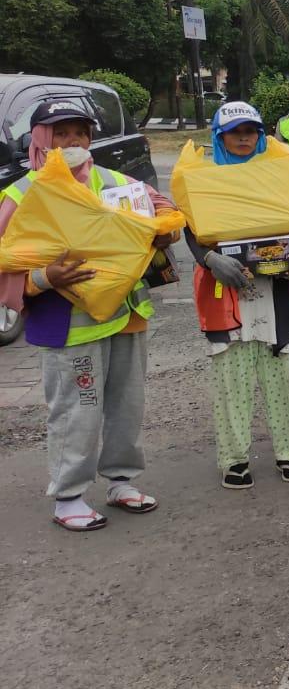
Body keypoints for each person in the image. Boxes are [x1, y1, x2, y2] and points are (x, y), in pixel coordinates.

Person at [0, 98, 178, 529]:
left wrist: (162, 232)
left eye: (79, 133)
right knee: (77, 410)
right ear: (40, 140)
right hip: (69, 326)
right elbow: (7, 258)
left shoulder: (118, 183)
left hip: (126, 313)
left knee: (125, 404)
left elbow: (164, 215)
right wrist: (45, 276)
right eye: (60, 134)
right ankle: (69, 496)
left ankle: (121, 481)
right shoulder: (24, 194)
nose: (72, 142)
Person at [185, 102, 289, 489]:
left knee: (282, 379)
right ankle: (233, 459)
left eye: (250, 131)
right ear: (219, 138)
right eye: (234, 132)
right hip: (227, 296)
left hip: (276, 294)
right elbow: (191, 229)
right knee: (232, 383)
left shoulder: (281, 177)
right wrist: (208, 258)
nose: (243, 138)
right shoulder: (203, 179)